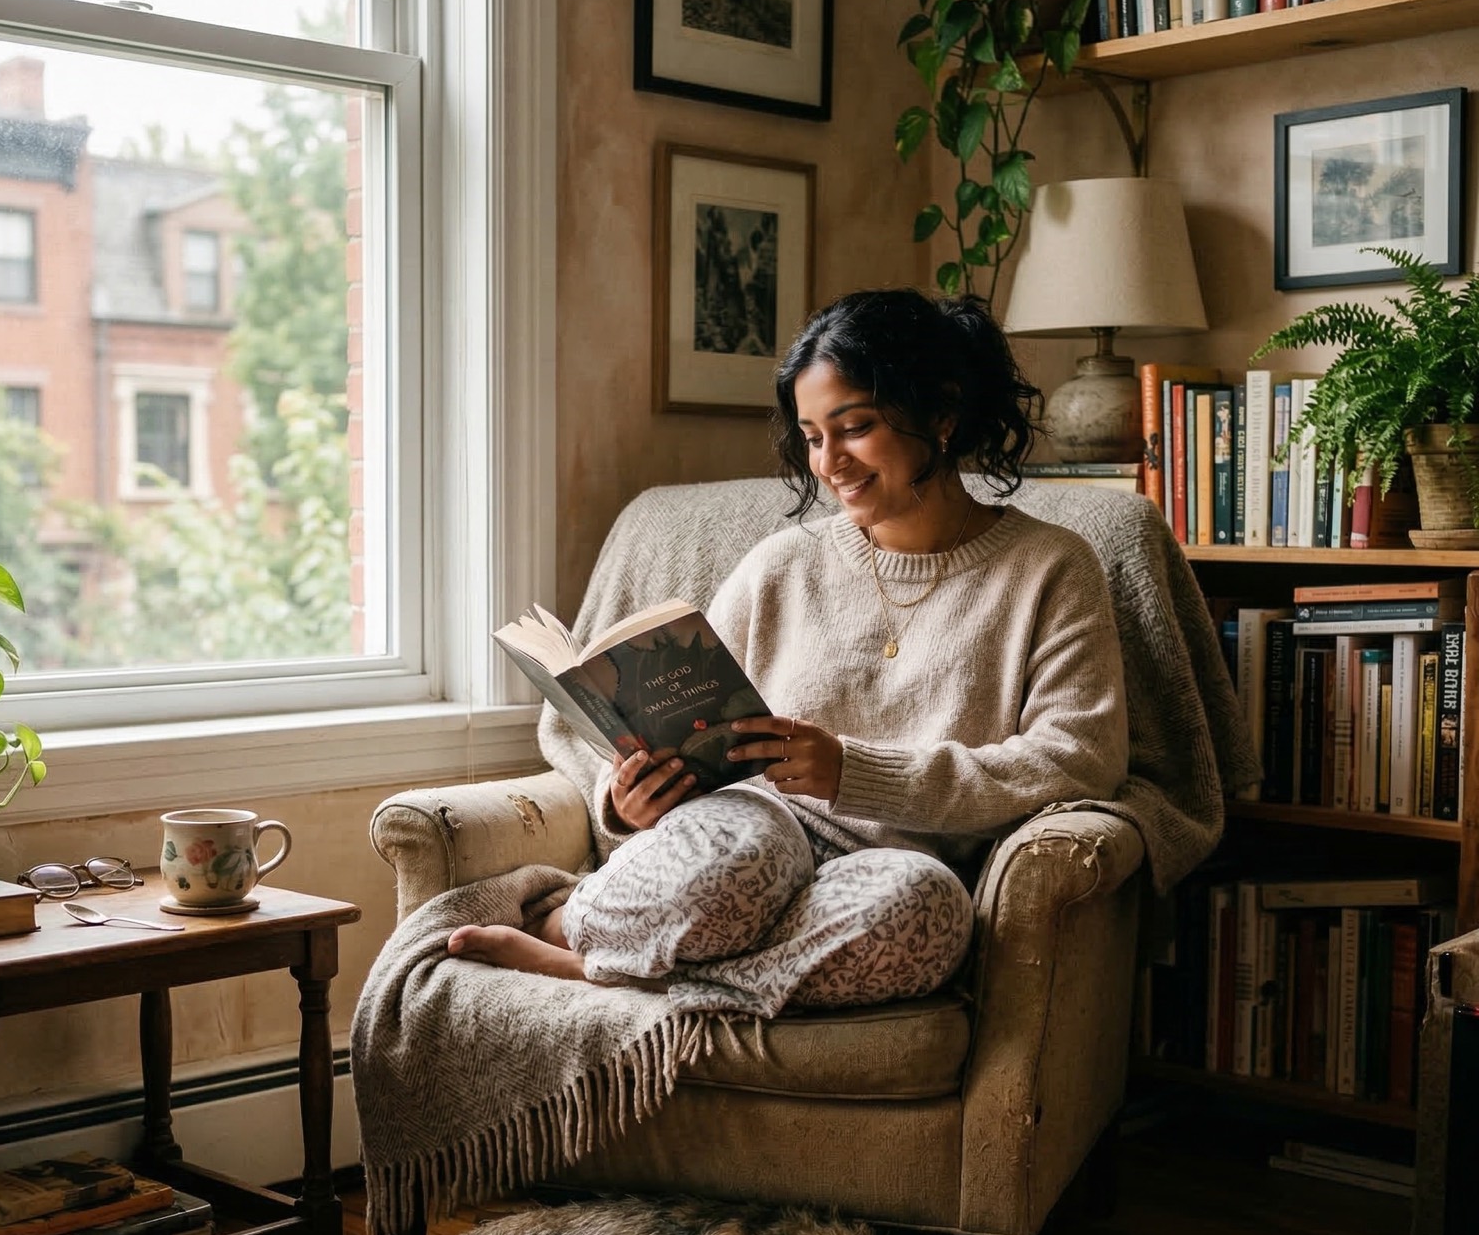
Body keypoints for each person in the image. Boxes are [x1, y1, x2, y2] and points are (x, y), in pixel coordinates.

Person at [449, 287, 1129, 1014]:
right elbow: (692, 720)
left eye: (855, 427)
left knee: (930, 909)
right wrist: (629, 800)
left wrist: (855, 773)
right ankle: (572, 924)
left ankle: (602, 969)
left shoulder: (1051, 568)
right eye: (811, 437)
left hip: (891, 866)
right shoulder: (781, 565)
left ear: (942, 413)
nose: (830, 462)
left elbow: (1079, 759)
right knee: (744, 854)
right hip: (752, 831)